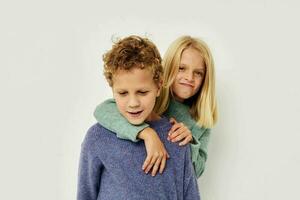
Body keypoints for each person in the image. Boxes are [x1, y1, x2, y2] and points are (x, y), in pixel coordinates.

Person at [77, 35, 200, 200]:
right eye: (122, 93)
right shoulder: (98, 137)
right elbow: (85, 195)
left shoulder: (177, 138)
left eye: (142, 92)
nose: (133, 103)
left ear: (158, 86)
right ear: (112, 89)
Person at [94, 35, 218, 178]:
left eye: (198, 73)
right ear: (169, 68)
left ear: (205, 78)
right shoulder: (149, 97)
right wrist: (147, 133)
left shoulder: (202, 121)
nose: (189, 78)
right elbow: (103, 110)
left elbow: (196, 173)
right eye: (182, 68)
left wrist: (190, 142)